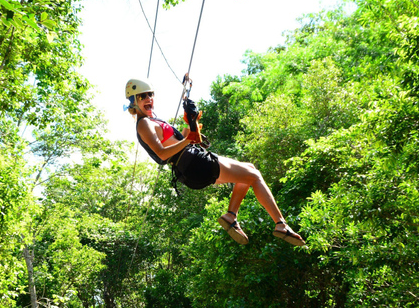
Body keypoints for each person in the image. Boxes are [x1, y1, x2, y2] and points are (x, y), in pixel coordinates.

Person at [125, 78, 305, 246]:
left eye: (150, 94)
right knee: (255, 175)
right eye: (142, 96)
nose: (148, 99)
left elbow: (182, 141)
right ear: (133, 101)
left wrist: (190, 123)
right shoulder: (143, 124)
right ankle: (280, 224)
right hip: (194, 162)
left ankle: (231, 216)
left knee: (248, 173)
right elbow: (163, 154)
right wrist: (190, 140)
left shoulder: (152, 121)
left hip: (191, 167)